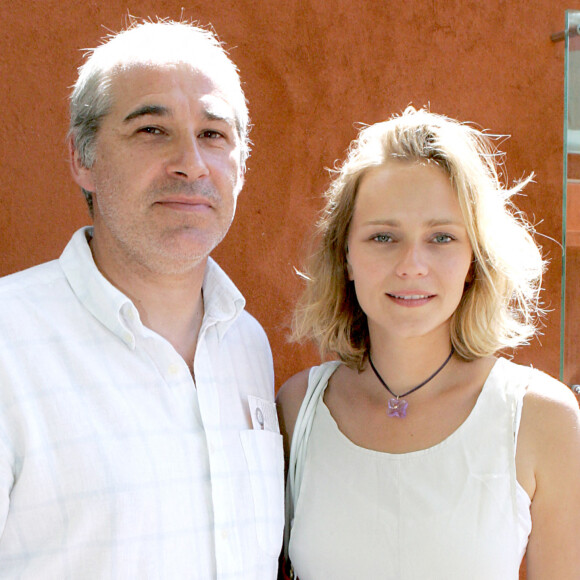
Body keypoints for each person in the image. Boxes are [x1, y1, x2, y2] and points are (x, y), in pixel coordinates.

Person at [0, 20, 283, 579]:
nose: (191, 162)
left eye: (213, 135)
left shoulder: (246, 344)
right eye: (153, 130)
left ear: (240, 168)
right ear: (84, 159)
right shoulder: (9, 341)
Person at [277, 107, 580, 579]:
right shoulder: (299, 410)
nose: (412, 264)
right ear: (346, 256)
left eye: (441, 237)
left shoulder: (541, 418)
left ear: (474, 259)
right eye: (383, 236)